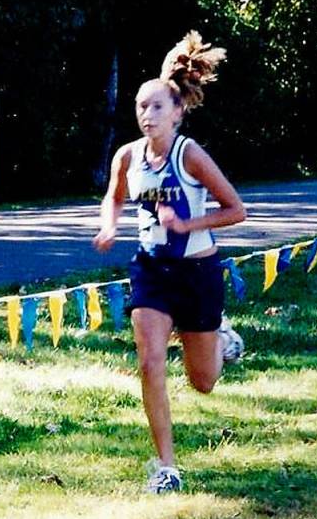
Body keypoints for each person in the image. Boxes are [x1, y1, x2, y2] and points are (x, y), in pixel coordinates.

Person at [92, 31, 247, 494]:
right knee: (150, 361)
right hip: (152, 271)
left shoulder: (190, 156)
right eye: (141, 107)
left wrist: (187, 226)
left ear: (178, 112)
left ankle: (218, 336)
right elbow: (113, 196)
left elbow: (236, 210)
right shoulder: (128, 156)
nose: (147, 115)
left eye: (157, 106)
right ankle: (166, 467)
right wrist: (109, 225)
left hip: (197, 272)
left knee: (202, 383)